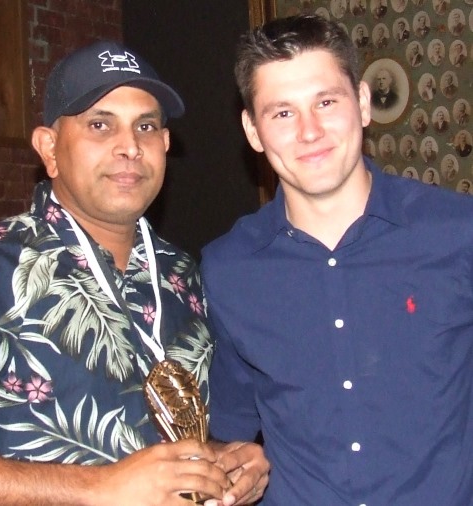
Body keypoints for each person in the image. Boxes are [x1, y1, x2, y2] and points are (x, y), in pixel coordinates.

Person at [201, 14, 473, 504]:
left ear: (363, 104)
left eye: (326, 102)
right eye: (282, 113)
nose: (309, 131)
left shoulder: (457, 233)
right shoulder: (227, 269)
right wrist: (235, 466)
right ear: (253, 131)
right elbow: (232, 429)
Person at [0, 40, 269, 506]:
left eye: (146, 126)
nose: (129, 147)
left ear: (164, 145)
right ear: (49, 148)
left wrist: (232, 460)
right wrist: (96, 488)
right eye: (100, 125)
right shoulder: (4, 263)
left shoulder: (187, 276)